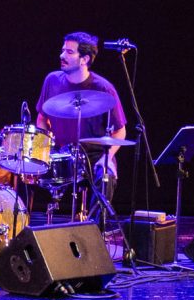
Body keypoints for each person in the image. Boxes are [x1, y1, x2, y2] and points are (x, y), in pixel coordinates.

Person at [34, 32, 129, 219]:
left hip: (95, 155)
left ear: (84, 59)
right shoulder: (52, 80)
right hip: (61, 152)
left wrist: (107, 157)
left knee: (106, 176)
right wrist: (44, 148)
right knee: (25, 167)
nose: (62, 55)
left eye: (69, 52)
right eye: (63, 50)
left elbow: (120, 131)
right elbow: (41, 119)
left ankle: (94, 228)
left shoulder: (103, 88)